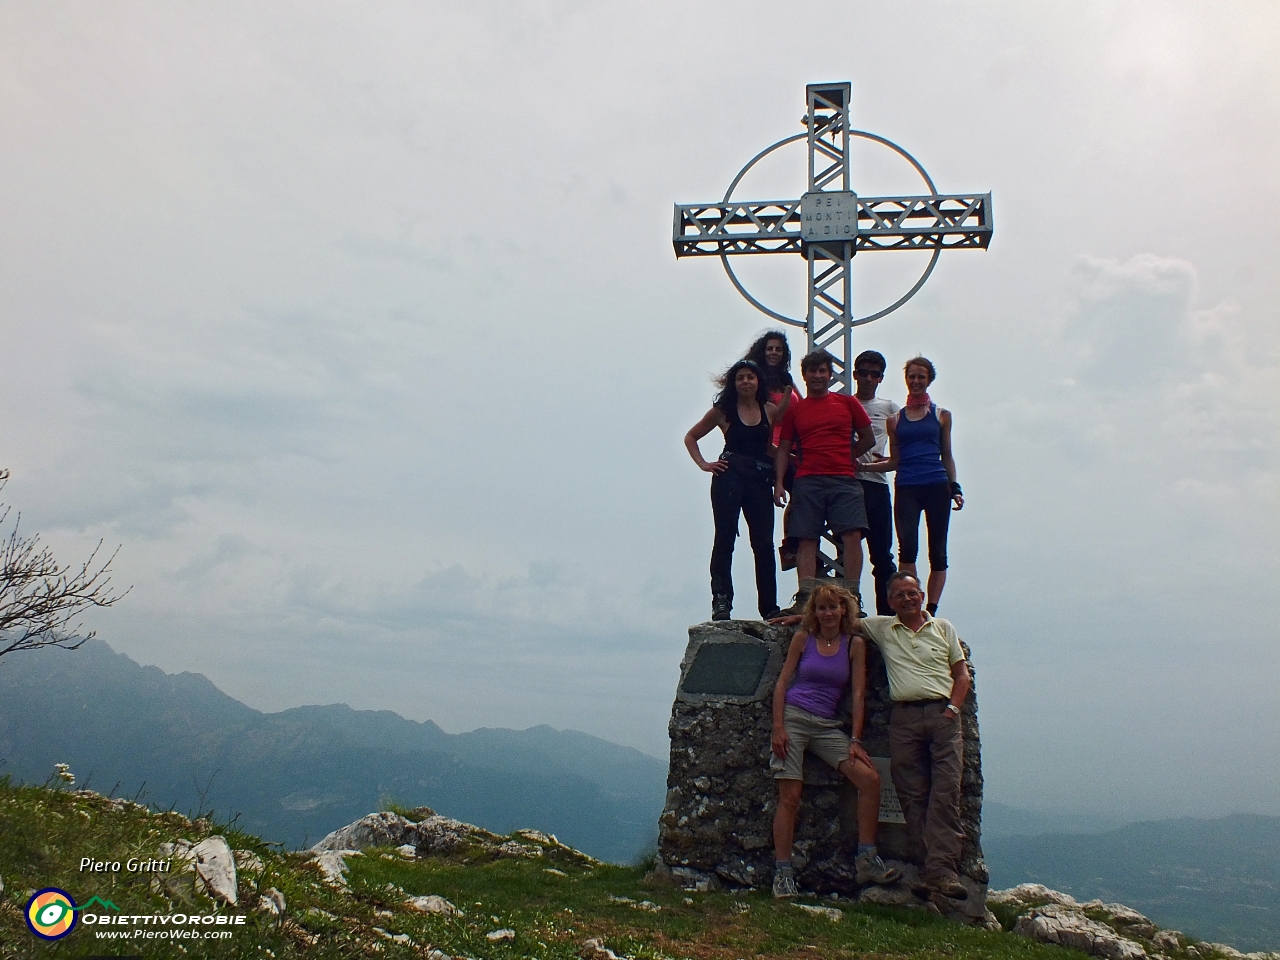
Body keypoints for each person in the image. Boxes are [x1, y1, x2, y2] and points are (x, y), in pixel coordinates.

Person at [770, 582, 902, 898]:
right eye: (821, 607)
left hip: (828, 725)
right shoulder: (804, 639)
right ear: (813, 613)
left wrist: (855, 739)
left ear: (844, 610)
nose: (828, 612)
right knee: (790, 795)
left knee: (870, 780)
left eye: (833, 606)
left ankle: (867, 859)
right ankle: (783, 873)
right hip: (794, 718)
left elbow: (857, 694)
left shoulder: (853, 644)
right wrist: (778, 726)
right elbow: (782, 683)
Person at [852, 571, 971, 899]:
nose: (907, 599)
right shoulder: (883, 628)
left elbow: (961, 676)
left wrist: (952, 711)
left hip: (942, 716)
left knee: (946, 791)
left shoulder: (943, 628)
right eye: (899, 595)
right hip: (903, 719)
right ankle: (928, 870)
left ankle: (943, 871)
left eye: (912, 593)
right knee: (912, 795)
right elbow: (838, 617)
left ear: (922, 596)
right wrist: (797, 618)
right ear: (890, 601)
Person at [773, 350, 877, 616]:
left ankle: (852, 596)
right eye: (812, 371)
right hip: (808, 479)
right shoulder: (797, 410)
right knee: (806, 538)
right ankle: (806, 597)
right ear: (805, 375)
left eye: (822, 371)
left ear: (830, 374)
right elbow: (783, 448)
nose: (817, 376)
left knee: (853, 535)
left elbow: (868, 438)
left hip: (844, 478)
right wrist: (779, 483)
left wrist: (847, 454)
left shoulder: (847, 403)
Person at [684, 359, 780, 621]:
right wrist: (704, 464)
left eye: (750, 376)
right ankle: (721, 600)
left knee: (763, 544)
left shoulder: (770, 410)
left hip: (760, 479)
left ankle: (769, 606)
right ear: (733, 383)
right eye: (740, 378)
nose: (746, 381)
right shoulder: (722, 411)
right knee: (725, 538)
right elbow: (691, 437)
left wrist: (782, 479)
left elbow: (777, 447)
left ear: (758, 381)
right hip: (730, 476)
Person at [883, 356, 963, 616]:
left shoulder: (941, 416)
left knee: (938, 551)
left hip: (936, 484)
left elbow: (947, 454)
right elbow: (894, 460)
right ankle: (910, 602)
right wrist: (864, 466)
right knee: (907, 548)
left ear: (929, 380)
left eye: (921, 377)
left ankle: (930, 608)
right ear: (906, 379)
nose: (916, 381)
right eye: (912, 376)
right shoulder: (894, 420)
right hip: (907, 485)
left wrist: (955, 487)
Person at [743, 331, 802, 571]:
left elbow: (803, 406)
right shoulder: (755, 383)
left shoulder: (787, 380)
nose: (774, 353)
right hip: (768, 447)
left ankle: (795, 543)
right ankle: (789, 547)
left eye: (778, 349)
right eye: (770, 349)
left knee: (805, 494)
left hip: (794, 445)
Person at [851, 350, 899, 615]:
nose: (868, 379)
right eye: (864, 373)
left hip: (877, 483)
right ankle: (849, 606)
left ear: (880, 378)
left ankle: (888, 614)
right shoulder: (846, 404)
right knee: (850, 548)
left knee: (881, 554)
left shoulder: (890, 408)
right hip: (849, 483)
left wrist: (890, 458)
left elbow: (909, 441)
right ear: (856, 374)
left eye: (874, 374)